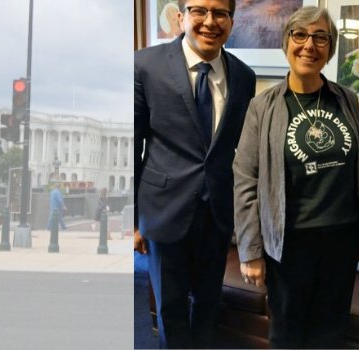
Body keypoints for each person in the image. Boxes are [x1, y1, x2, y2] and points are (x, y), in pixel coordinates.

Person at [233, 6, 359, 348]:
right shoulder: (263, 106)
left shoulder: (348, 100)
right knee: (287, 336)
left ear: (329, 49)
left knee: (330, 335)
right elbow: (245, 178)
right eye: (300, 35)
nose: (309, 45)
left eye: (320, 37)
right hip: (289, 245)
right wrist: (250, 250)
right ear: (287, 43)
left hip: (341, 241)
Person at [133, 0, 256, 347]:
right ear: (181, 16)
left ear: (231, 20)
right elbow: (133, 147)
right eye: (200, 10)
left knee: (208, 305)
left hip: (217, 213)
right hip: (163, 209)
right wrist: (132, 219)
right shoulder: (146, 66)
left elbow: (239, 151)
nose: (210, 21)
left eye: (221, 13)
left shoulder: (244, 76)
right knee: (170, 309)